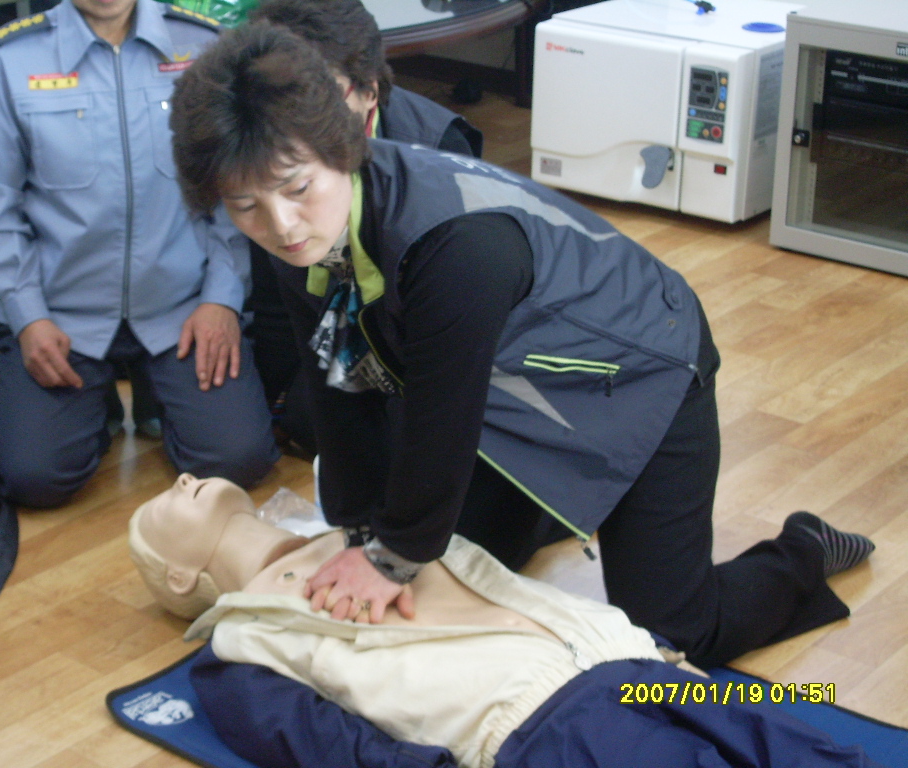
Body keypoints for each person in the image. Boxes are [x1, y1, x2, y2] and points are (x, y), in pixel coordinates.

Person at [166, 23, 876, 669]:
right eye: (245, 205)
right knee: (455, 562)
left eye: (297, 189)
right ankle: (555, 506)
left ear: (343, 147)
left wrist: (391, 556)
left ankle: (803, 551)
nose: (282, 225)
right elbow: (339, 383)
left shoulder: (456, 247)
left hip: (645, 367)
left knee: (675, 632)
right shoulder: (302, 238)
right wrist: (354, 531)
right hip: (515, 385)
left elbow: (441, 417)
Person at [127, 475, 884, 768]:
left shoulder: (370, 519)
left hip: (636, 665)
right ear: (178, 578)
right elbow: (323, 745)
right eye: (161, 504)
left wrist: (653, 650)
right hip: (543, 725)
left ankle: (802, 552)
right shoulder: (240, 645)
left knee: (813, 746)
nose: (182, 476)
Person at [0, 0, 280, 508]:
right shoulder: (12, 57)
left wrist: (222, 298)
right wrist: (28, 317)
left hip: (181, 308)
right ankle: (97, 407)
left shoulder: (203, 45)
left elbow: (234, 188)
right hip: (62, 313)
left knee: (239, 460)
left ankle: (161, 396)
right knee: (35, 479)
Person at [242, 0, 483, 454]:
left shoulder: (439, 151)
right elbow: (272, 294)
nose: (300, 120)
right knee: (296, 418)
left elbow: (458, 307)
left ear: (369, 90)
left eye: (322, 98)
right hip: (329, 313)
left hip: (418, 327)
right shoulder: (266, 144)